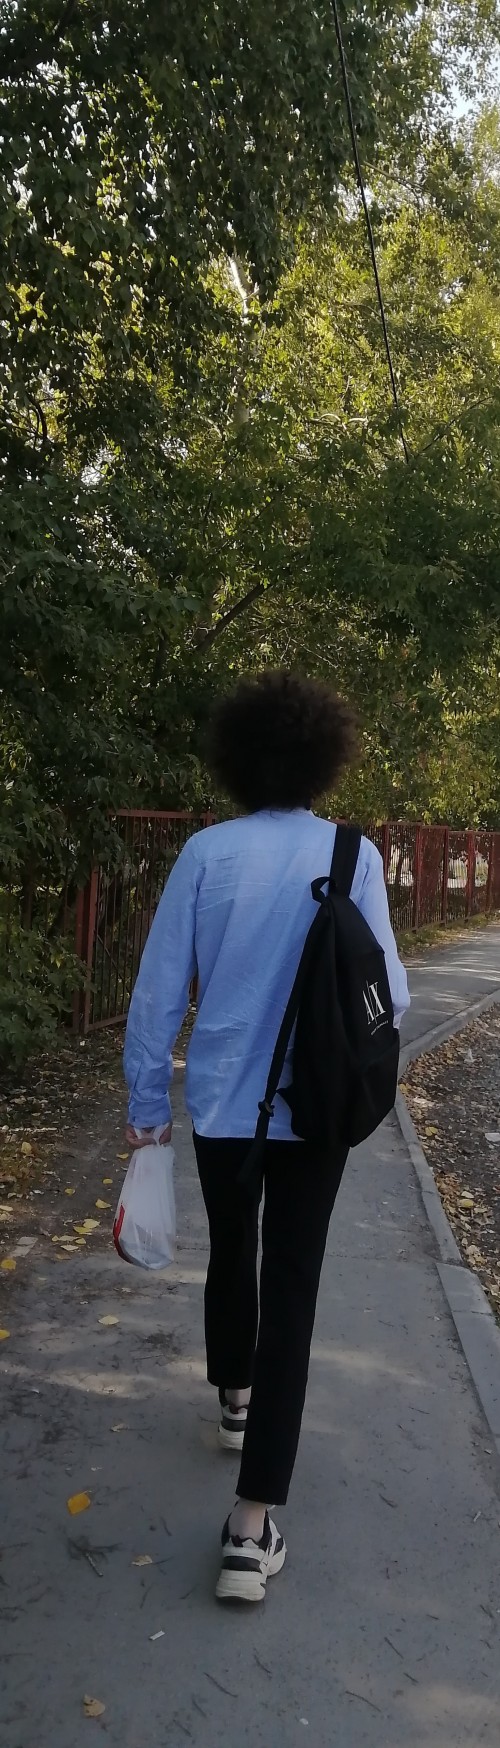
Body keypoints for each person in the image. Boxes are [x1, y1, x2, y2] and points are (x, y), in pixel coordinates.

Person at [124, 671, 410, 1604]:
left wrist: (147, 1103)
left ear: (238, 759)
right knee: (294, 1289)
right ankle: (250, 1532)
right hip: (316, 1110)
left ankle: (234, 1399)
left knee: (231, 1252)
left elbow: (158, 992)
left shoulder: (206, 853)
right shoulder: (353, 854)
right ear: (324, 759)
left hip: (221, 1104)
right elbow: (393, 993)